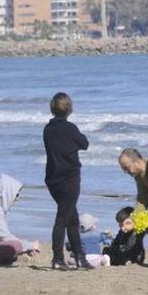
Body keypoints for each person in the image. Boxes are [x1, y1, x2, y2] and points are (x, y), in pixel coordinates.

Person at [43, 92, 93, 270]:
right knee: (63, 218)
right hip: (69, 179)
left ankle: (79, 256)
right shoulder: (70, 128)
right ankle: (57, 258)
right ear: (69, 109)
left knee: (72, 218)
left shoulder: (48, 129)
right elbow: (85, 143)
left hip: (53, 179)